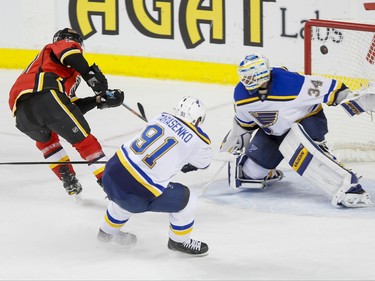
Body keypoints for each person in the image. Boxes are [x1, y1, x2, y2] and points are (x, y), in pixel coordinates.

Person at [220, 53, 375, 208]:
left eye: (248, 77)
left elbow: (334, 90)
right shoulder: (241, 94)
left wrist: (358, 100)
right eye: (244, 77)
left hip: (307, 122)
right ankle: (269, 171)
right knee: (250, 175)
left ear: (261, 76)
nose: (244, 81)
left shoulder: (290, 83)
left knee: (306, 156)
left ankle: (351, 187)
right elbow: (244, 125)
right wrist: (235, 141)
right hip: (274, 132)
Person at [8, 28, 124, 198]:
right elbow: (72, 55)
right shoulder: (61, 46)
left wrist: (97, 100)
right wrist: (92, 77)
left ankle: (68, 178)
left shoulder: (56, 69)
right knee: (84, 141)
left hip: (21, 114)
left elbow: (69, 109)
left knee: (48, 141)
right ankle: (109, 183)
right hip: (45, 95)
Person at [97, 96, 213, 256]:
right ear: (198, 119)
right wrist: (188, 163)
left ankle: (106, 232)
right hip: (136, 194)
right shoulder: (198, 139)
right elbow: (204, 163)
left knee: (123, 189)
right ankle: (179, 241)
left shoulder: (160, 117)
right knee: (188, 199)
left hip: (110, 174)